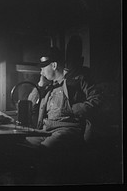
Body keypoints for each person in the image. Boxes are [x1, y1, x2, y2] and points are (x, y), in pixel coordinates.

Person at [25, 44, 102, 184]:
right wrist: (40, 86)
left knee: (44, 151)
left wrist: (75, 109)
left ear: (54, 65)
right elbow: (29, 105)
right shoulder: (48, 85)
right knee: (23, 145)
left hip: (67, 129)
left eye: (43, 67)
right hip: (44, 130)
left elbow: (97, 99)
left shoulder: (77, 79)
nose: (41, 71)